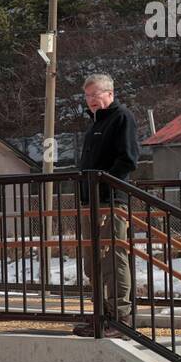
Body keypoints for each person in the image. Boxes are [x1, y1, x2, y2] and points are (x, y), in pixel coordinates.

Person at [73, 73, 139, 337]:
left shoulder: (122, 117)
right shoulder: (94, 124)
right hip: (90, 203)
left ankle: (120, 316)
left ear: (110, 94)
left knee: (113, 259)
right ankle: (99, 313)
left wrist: (103, 186)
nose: (91, 100)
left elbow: (128, 160)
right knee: (92, 262)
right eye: (87, 96)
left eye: (95, 94)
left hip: (110, 201)